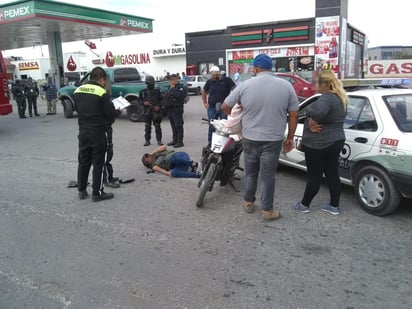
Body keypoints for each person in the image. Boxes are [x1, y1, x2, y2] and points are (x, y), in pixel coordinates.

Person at [222, 54, 299, 221]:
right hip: (273, 139)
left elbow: (225, 106)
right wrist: (290, 138)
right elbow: (294, 115)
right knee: (267, 175)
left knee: (250, 172)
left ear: (256, 69)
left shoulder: (245, 85)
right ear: (270, 68)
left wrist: (238, 119)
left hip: (250, 137)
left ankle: (248, 202)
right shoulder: (286, 86)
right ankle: (267, 211)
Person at [293, 70, 347, 215]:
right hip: (336, 140)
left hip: (319, 144)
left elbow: (318, 113)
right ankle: (334, 206)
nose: (314, 84)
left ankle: (304, 205)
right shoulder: (340, 98)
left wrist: (310, 112)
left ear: (325, 84)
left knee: (314, 175)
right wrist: (312, 122)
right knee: (332, 174)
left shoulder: (326, 98)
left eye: (316, 82)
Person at [74, 67, 117, 202]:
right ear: (101, 79)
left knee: (83, 162)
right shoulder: (101, 92)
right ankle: (97, 193)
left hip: (83, 132)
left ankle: (81, 190)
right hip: (98, 133)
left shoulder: (78, 90)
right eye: (105, 81)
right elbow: (110, 116)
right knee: (99, 163)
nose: (105, 83)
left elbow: (78, 109)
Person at [202, 66, 235, 144]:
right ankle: (211, 142)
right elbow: (203, 91)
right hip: (212, 107)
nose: (213, 77)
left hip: (224, 107)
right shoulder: (209, 81)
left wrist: (233, 102)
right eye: (212, 75)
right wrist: (205, 103)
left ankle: (225, 141)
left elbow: (235, 89)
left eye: (214, 75)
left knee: (224, 125)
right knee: (212, 124)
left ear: (218, 74)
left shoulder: (227, 80)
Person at [140, 75, 164, 146]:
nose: (151, 84)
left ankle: (159, 140)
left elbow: (162, 100)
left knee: (157, 126)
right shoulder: (143, 92)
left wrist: (158, 106)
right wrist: (144, 103)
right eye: (150, 83)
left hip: (156, 111)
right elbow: (139, 101)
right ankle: (147, 140)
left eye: (152, 83)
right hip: (147, 111)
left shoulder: (157, 91)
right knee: (147, 127)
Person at [165, 74, 187, 148]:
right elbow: (166, 96)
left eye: (171, 80)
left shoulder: (181, 88)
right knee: (173, 126)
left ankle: (180, 141)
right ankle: (174, 140)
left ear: (175, 80)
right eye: (169, 80)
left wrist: (173, 89)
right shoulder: (169, 87)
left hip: (177, 109)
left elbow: (180, 96)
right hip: (170, 109)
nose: (170, 81)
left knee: (178, 125)